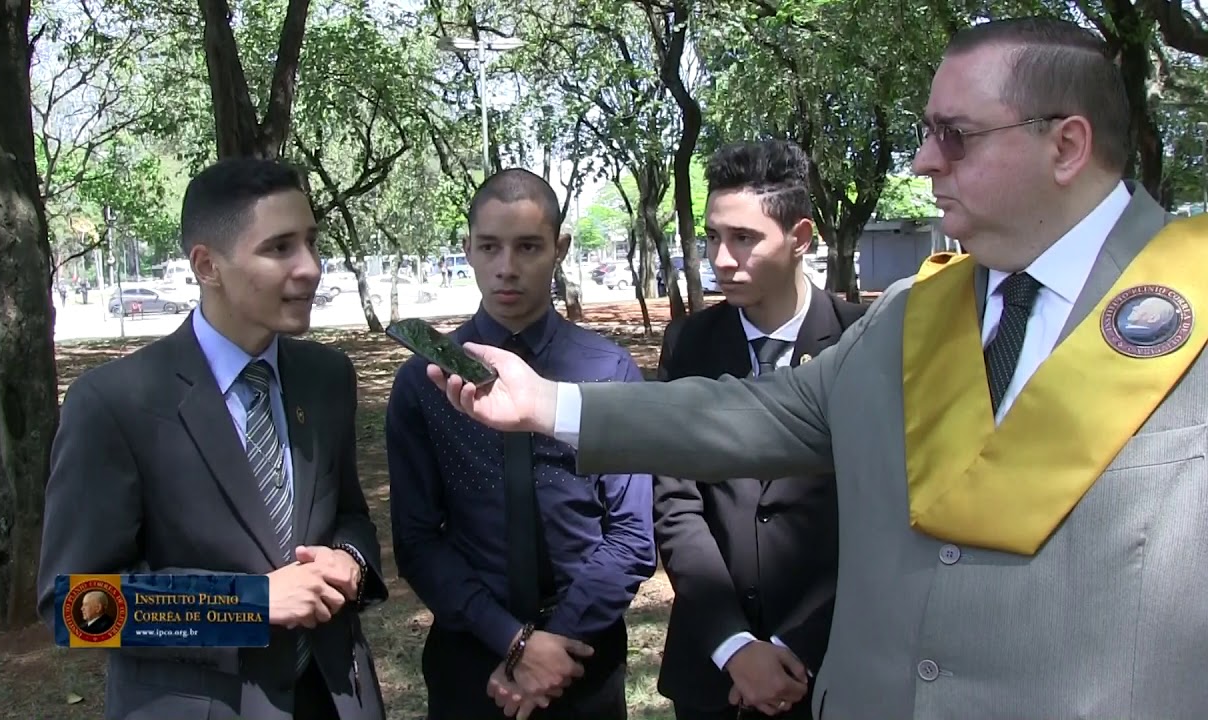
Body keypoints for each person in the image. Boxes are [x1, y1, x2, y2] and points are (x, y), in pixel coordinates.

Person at [425, 17, 1208, 720]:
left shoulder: (1195, 304)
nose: (923, 160)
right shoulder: (912, 313)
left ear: (1065, 145)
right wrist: (549, 404)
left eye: (955, 135)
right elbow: (760, 416)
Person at [37, 157, 389, 720]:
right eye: (279, 248)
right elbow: (78, 607)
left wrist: (350, 559)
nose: (311, 268)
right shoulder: (114, 403)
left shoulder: (328, 378)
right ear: (207, 265)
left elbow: (350, 515)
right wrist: (247, 606)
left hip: (336, 699)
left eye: (311, 241)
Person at [387, 168, 656, 720]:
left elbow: (631, 535)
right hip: (471, 651)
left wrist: (555, 643)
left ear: (559, 248)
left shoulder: (608, 372)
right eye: (489, 246)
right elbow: (416, 539)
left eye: (528, 247)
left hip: (583, 654)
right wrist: (513, 641)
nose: (506, 268)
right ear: (467, 248)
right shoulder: (425, 380)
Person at [653, 139, 866, 720]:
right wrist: (733, 644)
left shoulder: (865, 341)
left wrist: (797, 646)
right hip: (713, 673)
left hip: (835, 667)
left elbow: (885, 516)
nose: (721, 259)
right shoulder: (690, 343)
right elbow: (675, 503)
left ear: (800, 238)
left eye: (743, 239)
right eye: (713, 237)